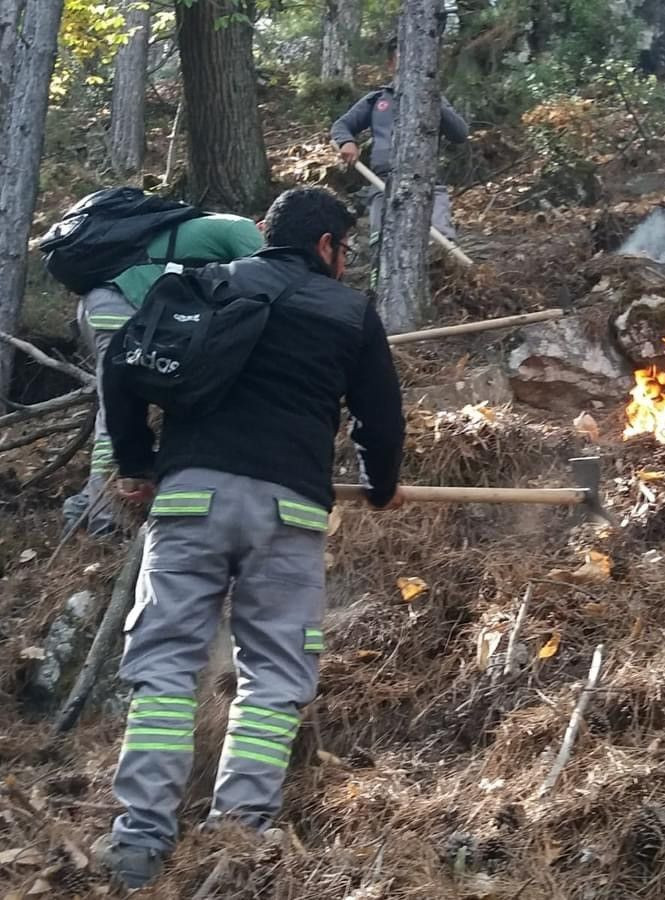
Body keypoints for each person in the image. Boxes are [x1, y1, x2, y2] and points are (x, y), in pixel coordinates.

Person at [94, 187, 406, 890]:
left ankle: (139, 842)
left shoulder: (203, 285)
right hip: (287, 516)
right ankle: (237, 841)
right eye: (346, 251)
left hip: (190, 500)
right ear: (326, 245)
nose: (347, 265)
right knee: (274, 678)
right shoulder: (348, 313)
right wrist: (382, 486)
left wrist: (138, 462)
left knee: (165, 668)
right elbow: (381, 422)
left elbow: (121, 366)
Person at [62, 212, 264, 539]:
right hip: (122, 304)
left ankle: (91, 502)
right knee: (116, 405)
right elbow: (267, 277)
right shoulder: (243, 229)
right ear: (263, 227)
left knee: (117, 400)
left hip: (100, 301)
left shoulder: (200, 226)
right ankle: (103, 517)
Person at [330, 35, 469, 246]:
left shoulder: (435, 99)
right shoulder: (377, 100)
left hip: (427, 185)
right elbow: (341, 125)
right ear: (390, 65)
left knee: (441, 246)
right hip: (382, 184)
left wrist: (433, 99)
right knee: (382, 244)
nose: (409, 67)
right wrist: (346, 142)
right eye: (402, 60)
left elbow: (459, 134)